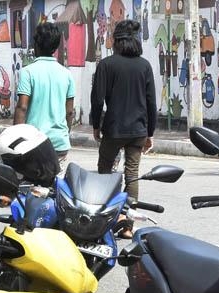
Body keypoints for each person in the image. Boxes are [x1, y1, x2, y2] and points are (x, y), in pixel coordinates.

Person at [90, 19, 156, 239]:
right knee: (132, 175)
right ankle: (127, 224)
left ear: (116, 41)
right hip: (138, 130)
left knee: (105, 173)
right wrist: (150, 133)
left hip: (113, 128)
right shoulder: (144, 65)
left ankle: (103, 221)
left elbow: (98, 100)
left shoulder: (106, 65)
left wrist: (96, 125)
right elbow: (151, 103)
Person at [14, 22, 76, 170]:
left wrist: (16, 137)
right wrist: (64, 133)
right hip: (60, 143)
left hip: (33, 144)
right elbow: (69, 111)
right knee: (56, 187)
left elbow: (22, 107)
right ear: (55, 48)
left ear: (36, 44)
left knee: (31, 187)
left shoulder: (27, 72)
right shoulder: (67, 74)